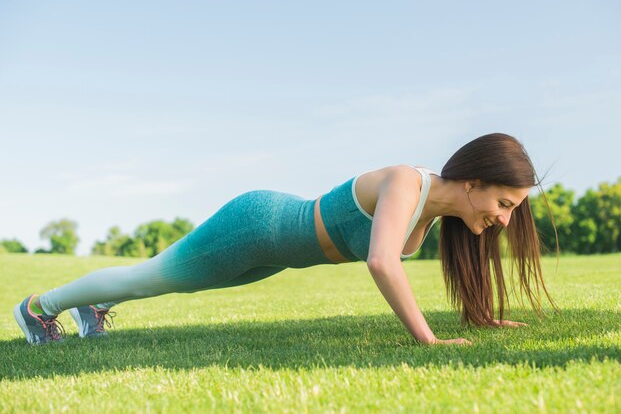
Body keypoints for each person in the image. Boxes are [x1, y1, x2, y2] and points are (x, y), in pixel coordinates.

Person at [14, 133, 557, 346]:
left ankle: (96, 306)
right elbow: (381, 262)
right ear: (473, 182)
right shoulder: (406, 182)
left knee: (174, 286)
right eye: (504, 204)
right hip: (258, 226)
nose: (505, 220)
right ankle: (38, 308)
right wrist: (429, 341)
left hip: (275, 255)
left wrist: (481, 315)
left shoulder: (440, 213)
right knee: (155, 275)